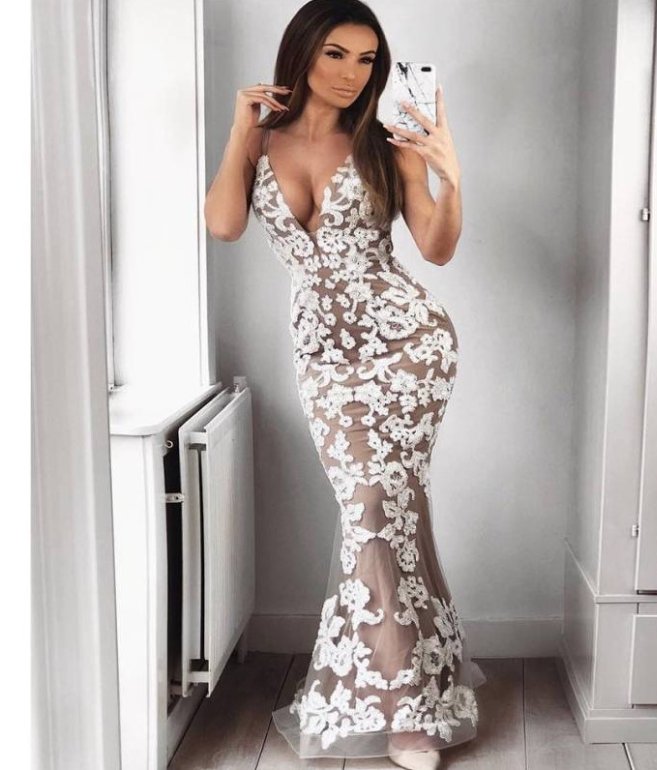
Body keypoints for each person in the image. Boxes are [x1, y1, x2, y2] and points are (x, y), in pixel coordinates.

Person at [205, 1, 486, 767]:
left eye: (367, 60)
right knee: (379, 512)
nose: (352, 73)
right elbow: (224, 223)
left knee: (379, 512)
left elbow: (435, 248)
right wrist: (238, 133)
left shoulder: (385, 143)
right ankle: (421, 686)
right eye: (336, 53)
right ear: (301, 52)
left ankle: (406, 712)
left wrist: (449, 173)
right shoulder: (261, 140)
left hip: (409, 348)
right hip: (325, 358)